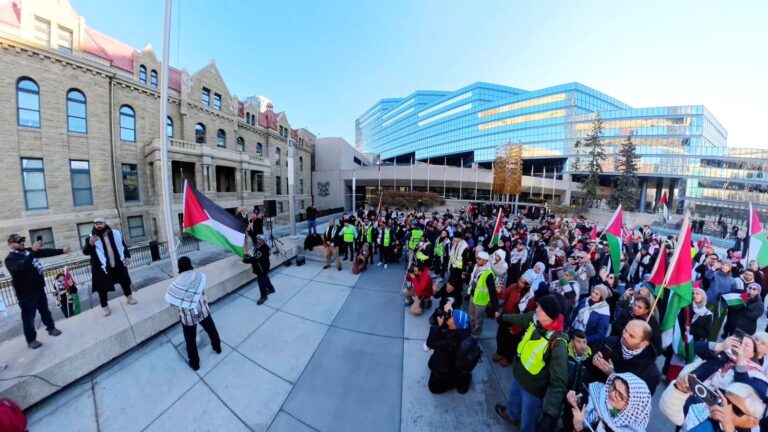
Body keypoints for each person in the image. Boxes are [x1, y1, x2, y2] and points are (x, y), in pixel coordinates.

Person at [494, 294, 568, 432]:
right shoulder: (534, 319)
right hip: (518, 374)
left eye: (540, 308)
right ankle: (512, 415)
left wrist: (551, 414)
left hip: (533, 389)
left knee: (529, 419)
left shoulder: (558, 343)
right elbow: (519, 318)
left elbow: (559, 381)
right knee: (513, 399)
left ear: (548, 315)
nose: (536, 308)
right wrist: (503, 317)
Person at [5, 234, 68, 349]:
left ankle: (51, 328)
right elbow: (22, 266)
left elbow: (44, 252)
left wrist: (61, 251)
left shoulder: (28, 251)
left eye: (22, 240)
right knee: (29, 317)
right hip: (26, 294)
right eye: (18, 241)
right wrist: (33, 251)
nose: (21, 243)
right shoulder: (10, 259)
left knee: (45, 311)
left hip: (38, 288)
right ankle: (31, 339)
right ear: (10, 244)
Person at [165, 256, 221, 371]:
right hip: (202, 310)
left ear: (179, 267)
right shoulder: (199, 276)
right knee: (211, 329)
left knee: (190, 339)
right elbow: (202, 290)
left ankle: (195, 363)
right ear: (190, 265)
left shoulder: (175, 284)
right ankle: (217, 347)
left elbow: (172, 302)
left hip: (188, 317)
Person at [589, 320, 661, 395]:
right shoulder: (609, 342)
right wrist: (593, 359)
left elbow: (640, 398)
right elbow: (589, 370)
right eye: (625, 330)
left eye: (631, 336)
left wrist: (613, 375)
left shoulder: (651, 373)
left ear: (644, 344)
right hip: (591, 392)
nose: (624, 335)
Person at [83, 218, 136, 316]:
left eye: (100, 223)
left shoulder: (115, 233)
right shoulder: (91, 238)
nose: (98, 225)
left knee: (124, 281)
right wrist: (90, 244)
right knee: (102, 288)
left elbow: (122, 245)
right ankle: (105, 306)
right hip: (102, 267)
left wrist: (127, 256)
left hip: (117, 264)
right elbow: (86, 252)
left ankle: (129, 297)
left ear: (105, 223)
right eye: (96, 224)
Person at [567, 372, 651, 432]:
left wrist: (578, 428)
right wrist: (573, 396)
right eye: (613, 386)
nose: (612, 394)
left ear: (632, 407)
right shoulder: (600, 392)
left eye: (620, 396)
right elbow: (581, 398)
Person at [426, 306, 473, 394]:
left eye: (451, 317)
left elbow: (430, 343)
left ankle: (459, 381)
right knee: (430, 364)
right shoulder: (464, 328)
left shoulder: (451, 342)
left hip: (447, 367)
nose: (449, 317)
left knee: (433, 387)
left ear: (455, 324)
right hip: (451, 360)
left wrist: (437, 326)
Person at [494, 274, 536, 367]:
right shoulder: (513, 287)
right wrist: (499, 292)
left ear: (528, 285)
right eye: (519, 280)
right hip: (505, 317)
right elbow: (504, 295)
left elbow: (526, 317)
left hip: (516, 322)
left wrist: (517, 328)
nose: (519, 282)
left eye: (522, 282)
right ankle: (500, 352)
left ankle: (508, 358)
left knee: (511, 342)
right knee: (500, 336)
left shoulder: (530, 298)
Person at [560, 330, 593, 432]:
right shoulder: (565, 354)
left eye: (584, 342)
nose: (582, 346)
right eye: (578, 341)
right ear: (572, 342)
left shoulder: (590, 359)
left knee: (570, 419)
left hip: (578, 398)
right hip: (564, 391)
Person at [467, 251, 499, 338]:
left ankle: (475, 335)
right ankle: (471, 331)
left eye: (479, 259)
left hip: (480, 302)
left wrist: (495, 308)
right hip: (473, 296)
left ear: (485, 261)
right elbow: (473, 280)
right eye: (477, 258)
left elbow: (492, 291)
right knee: (471, 316)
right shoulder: (476, 267)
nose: (477, 260)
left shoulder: (488, 274)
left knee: (478, 320)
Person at [570, 284, 611, 349]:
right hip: (573, 334)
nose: (593, 294)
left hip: (587, 343)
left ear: (602, 297)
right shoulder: (584, 300)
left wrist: (584, 340)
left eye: (597, 294)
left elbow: (600, 334)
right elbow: (575, 313)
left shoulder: (604, 313)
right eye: (593, 292)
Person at [251, 234, 275, 305]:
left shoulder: (264, 248)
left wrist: (245, 260)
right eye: (258, 239)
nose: (258, 240)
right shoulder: (259, 246)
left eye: (260, 239)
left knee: (261, 282)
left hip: (262, 268)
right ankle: (271, 289)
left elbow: (256, 258)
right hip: (262, 267)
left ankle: (263, 296)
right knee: (265, 277)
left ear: (264, 241)